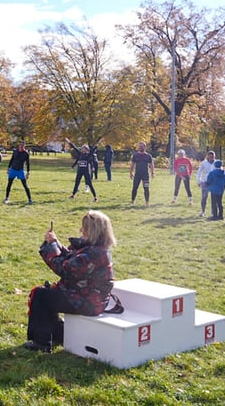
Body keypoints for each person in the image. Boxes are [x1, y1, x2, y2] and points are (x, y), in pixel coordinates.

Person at [24, 210, 117, 353]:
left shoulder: (93, 253)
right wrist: (55, 243)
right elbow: (71, 258)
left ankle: (41, 342)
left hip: (88, 302)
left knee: (40, 295)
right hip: (90, 297)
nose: (80, 230)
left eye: (84, 228)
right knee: (48, 294)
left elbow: (64, 268)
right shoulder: (97, 248)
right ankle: (57, 335)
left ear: (92, 231)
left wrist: (51, 247)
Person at [66, 138, 100, 202]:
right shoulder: (80, 154)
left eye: (84, 149)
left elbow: (93, 150)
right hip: (79, 171)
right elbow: (74, 147)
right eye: (82, 149)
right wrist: (69, 142)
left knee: (89, 184)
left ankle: (95, 197)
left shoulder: (88, 155)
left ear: (87, 150)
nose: (83, 150)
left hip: (86, 172)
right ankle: (73, 195)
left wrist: (98, 143)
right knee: (77, 183)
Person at [129, 141, 154, 206]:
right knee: (135, 187)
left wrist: (152, 172)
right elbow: (132, 164)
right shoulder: (135, 155)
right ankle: (132, 201)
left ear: (145, 147)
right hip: (137, 175)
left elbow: (151, 165)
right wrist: (131, 172)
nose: (140, 148)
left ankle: (147, 202)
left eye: (142, 146)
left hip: (145, 175)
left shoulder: (148, 156)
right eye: (140, 146)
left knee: (146, 188)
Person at [196, 150, 216, 218]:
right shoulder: (203, 163)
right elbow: (199, 172)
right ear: (208, 156)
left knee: (214, 198)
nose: (211, 158)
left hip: (214, 183)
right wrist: (199, 181)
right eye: (210, 157)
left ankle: (214, 212)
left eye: (212, 157)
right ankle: (203, 211)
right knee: (204, 197)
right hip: (205, 182)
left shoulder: (216, 163)